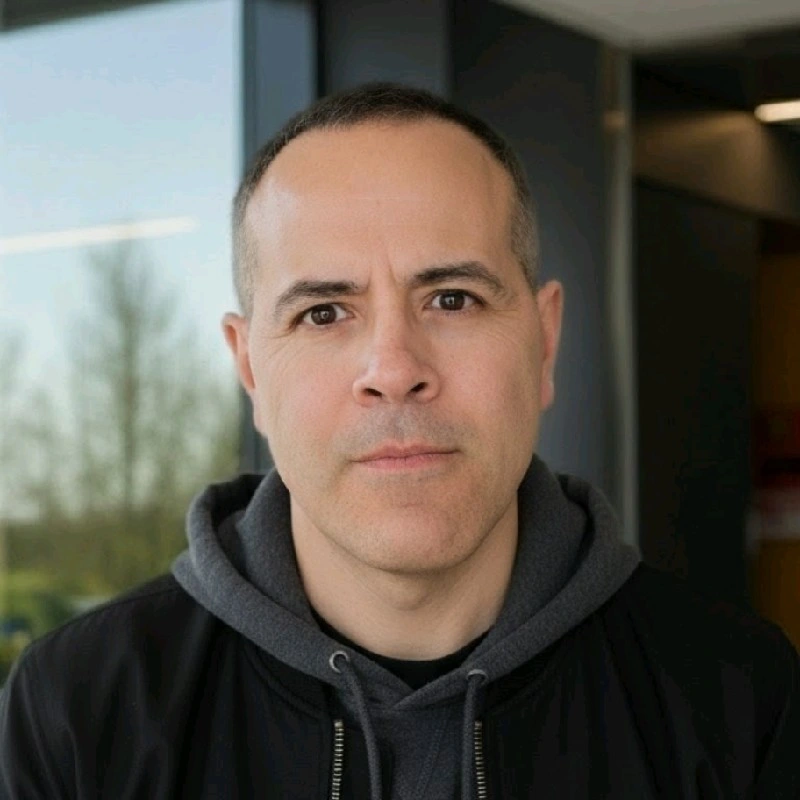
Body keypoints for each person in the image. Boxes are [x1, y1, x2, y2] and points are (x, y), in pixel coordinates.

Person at [1, 83, 798, 800]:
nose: (394, 370)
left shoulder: (739, 699)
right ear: (249, 369)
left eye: (452, 298)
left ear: (545, 342)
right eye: (323, 312)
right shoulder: (78, 709)